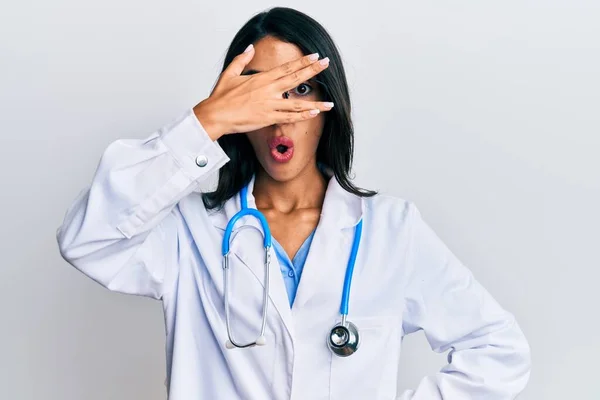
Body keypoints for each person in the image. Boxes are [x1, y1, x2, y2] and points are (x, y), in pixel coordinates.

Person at [56, 6, 531, 400]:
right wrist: (206, 121)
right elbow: (86, 240)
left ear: (329, 107)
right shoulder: (187, 229)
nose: (277, 114)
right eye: (257, 94)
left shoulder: (391, 230)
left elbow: (499, 350)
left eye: (299, 89)